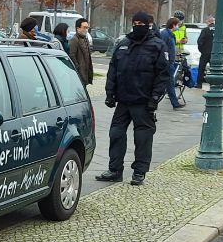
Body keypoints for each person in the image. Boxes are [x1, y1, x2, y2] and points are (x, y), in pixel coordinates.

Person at [96, 11, 168, 186]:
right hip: (123, 101)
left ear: (147, 25)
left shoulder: (157, 45)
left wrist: (155, 98)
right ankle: (114, 170)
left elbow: (163, 75)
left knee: (142, 138)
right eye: (134, 22)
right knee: (116, 134)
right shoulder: (123, 44)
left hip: (144, 102)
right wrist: (109, 93)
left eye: (140, 23)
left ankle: (139, 172)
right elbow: (113, 70)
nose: (137, 25)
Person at [158, 17, 184, 109]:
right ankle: (175, 103)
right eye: (177, 25)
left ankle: (175, 103)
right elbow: (162, 47)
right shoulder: (165, 34)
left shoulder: (169, 34)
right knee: (169, 83)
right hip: (167, 63)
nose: (177, 26)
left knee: (170, 83)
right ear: (173, 25)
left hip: (170, 62)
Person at [67, 17, 93, 88]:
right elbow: (72, 56)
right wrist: (78, 68)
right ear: (78, 28)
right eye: (84, 27)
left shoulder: (86, 39)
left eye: (87, 28)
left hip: (85, 72)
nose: (86, 30)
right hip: (78, 73)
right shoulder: (74, 40)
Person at [195, 17, 214, 88]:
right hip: (215, 54)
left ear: (208, 22)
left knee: (201, 68)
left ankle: (199, 84)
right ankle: (213, 84)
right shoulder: (218, 30)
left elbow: (200, 41)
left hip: (205, 52)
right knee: (214, 70)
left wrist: (202, 50)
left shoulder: (205, 30)